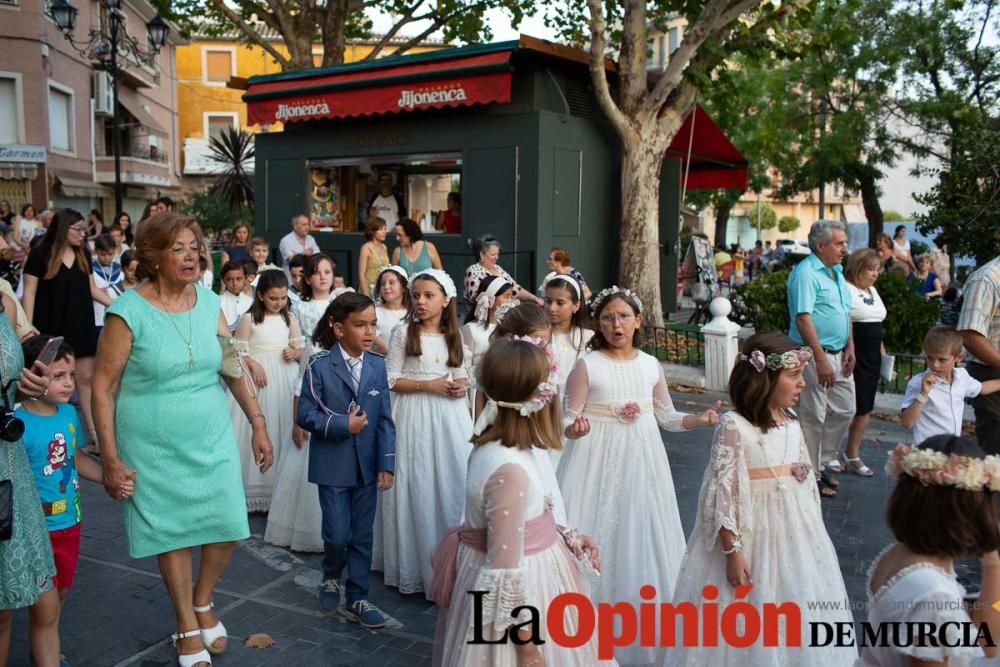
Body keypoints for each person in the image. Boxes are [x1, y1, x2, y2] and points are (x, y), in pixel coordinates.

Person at [91, 212, 274, 667]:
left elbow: (231, 365)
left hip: (209, 433)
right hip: (152, 441)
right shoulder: (127, 311)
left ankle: (202, 597)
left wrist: (258, 422)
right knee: (171, 532)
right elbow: (102, 387)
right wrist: (110, 459)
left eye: (194, 246)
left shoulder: (210, 301)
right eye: (178, 248)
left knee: (229, 521)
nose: (191, 255)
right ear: (153, 257)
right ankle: (185, 623)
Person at [664, 332, 856, 666]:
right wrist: (731, 551)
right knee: (746, 605)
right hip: (752, 533)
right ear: (764, 378)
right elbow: (722, 492)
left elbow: (805, 474)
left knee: (793, 600)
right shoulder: (733, 425)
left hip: (793, 530)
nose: (802, 384)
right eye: (793, 376)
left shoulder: (793, 423)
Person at [558, 286, 720, 665]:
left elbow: (667, 417)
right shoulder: (588, 364)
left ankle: (640, 622)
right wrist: (574, 428)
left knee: (640, 529)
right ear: (598, 323)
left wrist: (701, 419)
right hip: (595, 460)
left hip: (643, 461)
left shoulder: (650, 365)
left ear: (638, 321)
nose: (617, 324)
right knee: (596, 522)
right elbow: (567, 415)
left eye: (624, 316)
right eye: (609, 317)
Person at [430, 338, 604, 666]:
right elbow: (504, 573)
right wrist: (527, 651)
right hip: (521, 602)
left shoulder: (500, 447)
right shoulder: (509, 468)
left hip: (525, 566)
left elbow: (521, 519)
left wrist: (566, 535)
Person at [296, 292, 396, 627]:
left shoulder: (378, 367)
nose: (369, 332)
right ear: (338, 329)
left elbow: (384, 420)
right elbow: (306, 414)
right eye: (360, 325)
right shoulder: (319, 366)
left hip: (367, 466)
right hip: (333, 465)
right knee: (338, 534)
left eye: (373, 325)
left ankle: (358, 597)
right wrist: (343, 424)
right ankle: (330, 573)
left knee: (363, 536)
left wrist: (386, 464)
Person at [374, 269, 472, 596]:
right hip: (413, 415)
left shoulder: (455, 335)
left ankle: (451, 564)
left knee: (451, 480)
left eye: (429, 295)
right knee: (415, 481)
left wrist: (460, 385)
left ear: (446, 300)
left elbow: (460, 373)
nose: (420, 301)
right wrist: (427, 385)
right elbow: (390, 379)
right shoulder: (403, 332)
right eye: (416, 295)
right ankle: (413, 564)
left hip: (450, 419)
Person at [863, 435, 1000, 666]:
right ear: (968, 512)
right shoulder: (934, 598)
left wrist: (993, 566)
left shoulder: (899, 555)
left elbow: (986, 643)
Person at [16, 336, 108, 667]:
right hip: (34, 530)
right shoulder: (17, 423)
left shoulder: (68, 414)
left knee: (60, 596)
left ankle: (44, 648)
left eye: (70, 375)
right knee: (45, 605)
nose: (69, 383)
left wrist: (107, 476)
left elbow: (75, 457)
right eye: (58, 376)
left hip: (70, 524)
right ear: (30, 376)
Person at [0, 304, 63, 667]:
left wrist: (28, 390)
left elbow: (11, 392)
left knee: (11, 606)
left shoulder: (4, 303)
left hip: (10, 469)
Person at [22, 209, 113, 447]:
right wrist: (29, 326)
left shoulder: (83, 253)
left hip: (82, 325)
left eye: (84, 229)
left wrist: (118, 305)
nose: (83, 234)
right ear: (64, 229)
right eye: (78, 229)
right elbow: (29, 292)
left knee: (86, 379)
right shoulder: (40, 254)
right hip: (50, 328)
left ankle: (93, 433)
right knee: (50, 383)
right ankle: (53, 434)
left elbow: (92, 289)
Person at [786, 220, 854, 498]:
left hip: (839, 354)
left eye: (844, 242)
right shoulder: (806, 274)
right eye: (839, 243)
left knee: (845, 409)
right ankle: (811, 471)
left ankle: (822, 459)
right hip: (814, 354)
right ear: (820, 245)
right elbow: (803, 318)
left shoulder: (836, 272)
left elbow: (845, 313)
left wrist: (851, 347)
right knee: (813, 414)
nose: (845, 249)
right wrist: (821, 358)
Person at [229, 270, 302, 512]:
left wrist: (295, 353)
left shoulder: (289, 318)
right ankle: (254, 485)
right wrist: (253, 363)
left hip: (283, 376)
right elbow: (238, 351)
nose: (278, 303)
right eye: (273, 298)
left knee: (281, 424)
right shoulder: (249, 319)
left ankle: (280, 492)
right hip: (257, 377)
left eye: (282, 298)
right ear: (260, 296)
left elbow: (299, 347)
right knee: (261, 423)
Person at [901, 326, 1000, 444]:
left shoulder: (961, 377)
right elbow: (907, 422)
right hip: (927, 452)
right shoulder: (918, 383)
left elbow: (982, 388)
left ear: (958, 358)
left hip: (951, 449)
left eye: (942, 360)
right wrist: (923, 394)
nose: (935, 365)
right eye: (930, 358)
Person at [843, 248, 886, 477]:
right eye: (871, 269)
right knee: (849, 406)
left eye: (878, 269)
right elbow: (846, 319)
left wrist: (882, 351)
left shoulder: (873, 290)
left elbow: (876, 319)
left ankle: (852, 452)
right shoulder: (846, 288)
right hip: (854, 353)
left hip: (873, 356)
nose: (875, 274)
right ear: (857, 268)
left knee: (866, 407)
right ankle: (831, 452)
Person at [542, 273, 593, 468]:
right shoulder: (537, 335)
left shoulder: (587, 338)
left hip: (575, 412)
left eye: (560, 303)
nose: (551, 308)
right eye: (548, 301)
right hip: (542, 411)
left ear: (576, 306)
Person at [462, 275, 515, 410]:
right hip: (479, 390)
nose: (510, 302)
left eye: (511, 297)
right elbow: (465, 366)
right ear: (491, 299)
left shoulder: (512, 329)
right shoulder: (471, 329)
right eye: (506, 297)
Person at [464, 235, 541, 308]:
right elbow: (477, 299)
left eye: (498, 254)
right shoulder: (473, 271)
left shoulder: (498, 268)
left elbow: (515, 288)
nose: (497, 258)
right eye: (493, 254)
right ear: (482, 255)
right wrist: (511, 302)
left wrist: (534, 298)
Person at [92, 234, 124, 336]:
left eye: (110, 254)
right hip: (97, 317)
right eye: (102, 254)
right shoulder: (90, 269)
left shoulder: (120, 270)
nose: (107, 258)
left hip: (117, 316)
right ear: (96, 251)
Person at [373, 265, 408, 355]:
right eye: (383, 284)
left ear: (403, 287)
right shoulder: (374, 312)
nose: (386, 287)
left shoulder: (410, 314)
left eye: (391, 282)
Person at [278, 214, 320, 281]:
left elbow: (318, 258)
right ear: (295, 226)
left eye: (308, 224)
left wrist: (297, 255)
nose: (307, 227)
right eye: (304, 225)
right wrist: (305, 254)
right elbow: (294, 261)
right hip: (291, 281)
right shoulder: (285, 241)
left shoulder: (311, 239)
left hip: (308, 280)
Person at [357, 218, 389, 297]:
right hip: (368, 288)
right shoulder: (366, 248)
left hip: (382, 288)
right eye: (381, 229)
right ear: (373, 231)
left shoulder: (384, 247)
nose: (384, 232)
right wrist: (366, 293)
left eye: (385, 229)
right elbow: (361, 273)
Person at [219, 261, 252, 333]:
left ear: (245, 278)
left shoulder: (251, 302)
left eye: (238, 279)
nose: (235, 283)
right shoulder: (218, 302)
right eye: (229, 279)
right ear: (223, 280)